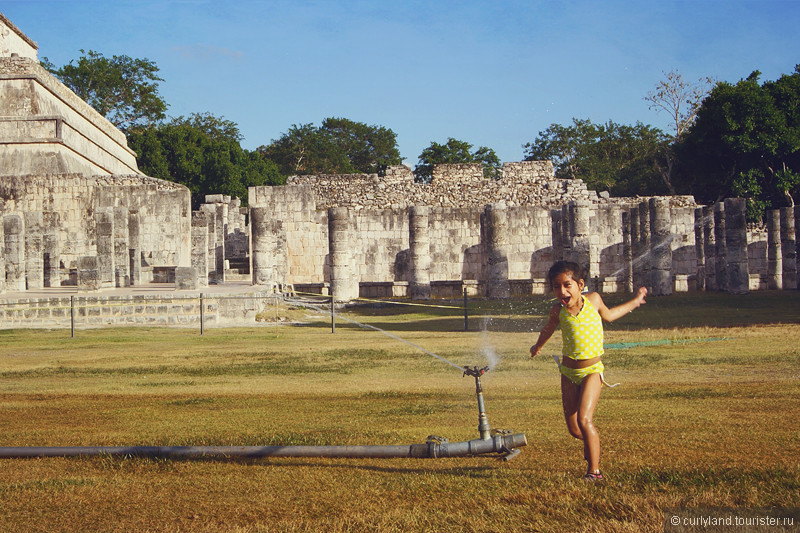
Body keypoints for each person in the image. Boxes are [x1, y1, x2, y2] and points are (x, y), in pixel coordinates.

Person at [530, 260, 647, 481]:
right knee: (574, 429)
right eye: (556, 286)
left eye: (567, 285)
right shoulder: (557, 311)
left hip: (592, 371)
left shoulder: (593, 300)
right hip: (568, 373)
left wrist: (635, 301)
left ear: (580, 284)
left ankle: (594, 472)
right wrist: (538, 346)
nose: (562, 291)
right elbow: (547, 329)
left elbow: (610, 315)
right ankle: (592, 444)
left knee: (585, 420)